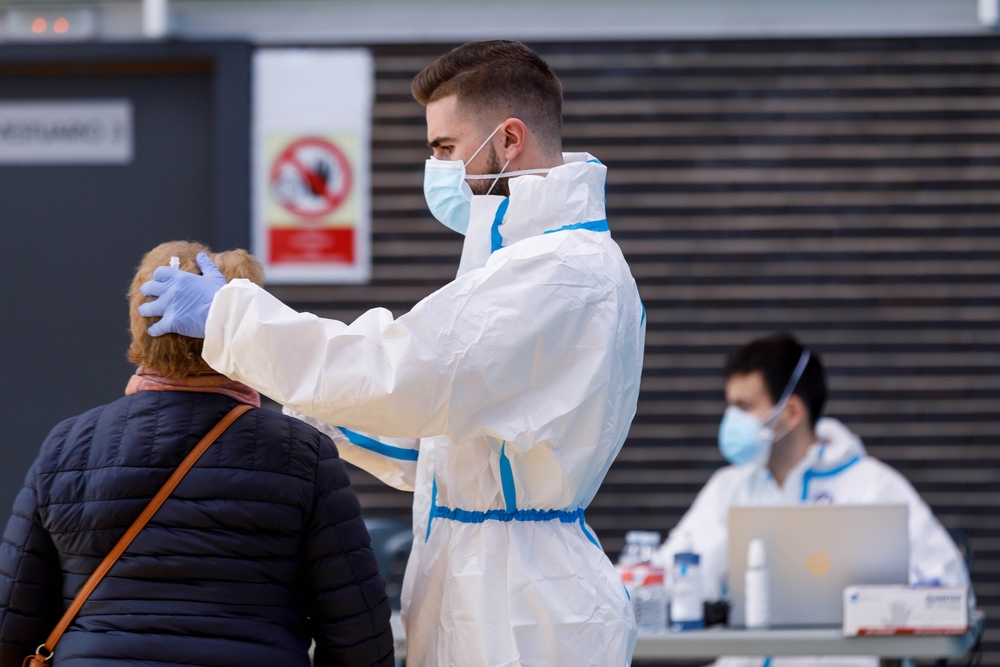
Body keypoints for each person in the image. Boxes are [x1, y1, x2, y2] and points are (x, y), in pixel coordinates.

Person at [136, 41, 644, 666]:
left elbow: (401, 376)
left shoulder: (557, 274)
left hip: (522, 614)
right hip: (490, 585)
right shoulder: (524, 263)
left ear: (508, 139)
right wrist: (304, 414)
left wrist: (228, 317)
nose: (435, 166)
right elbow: (438, 439)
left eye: (445, 148)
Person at [0, 242, 393, 667]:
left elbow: (13, 619)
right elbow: (358, 632)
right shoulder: (302, 453)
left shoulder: (67, 445)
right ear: (246, 328)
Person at [654, 333, 970, 667]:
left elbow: (947, 590)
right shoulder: (729, 488)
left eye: (743, 407)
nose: (730, 421)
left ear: (790, 413)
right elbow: (672, 575)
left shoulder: (872, 486)